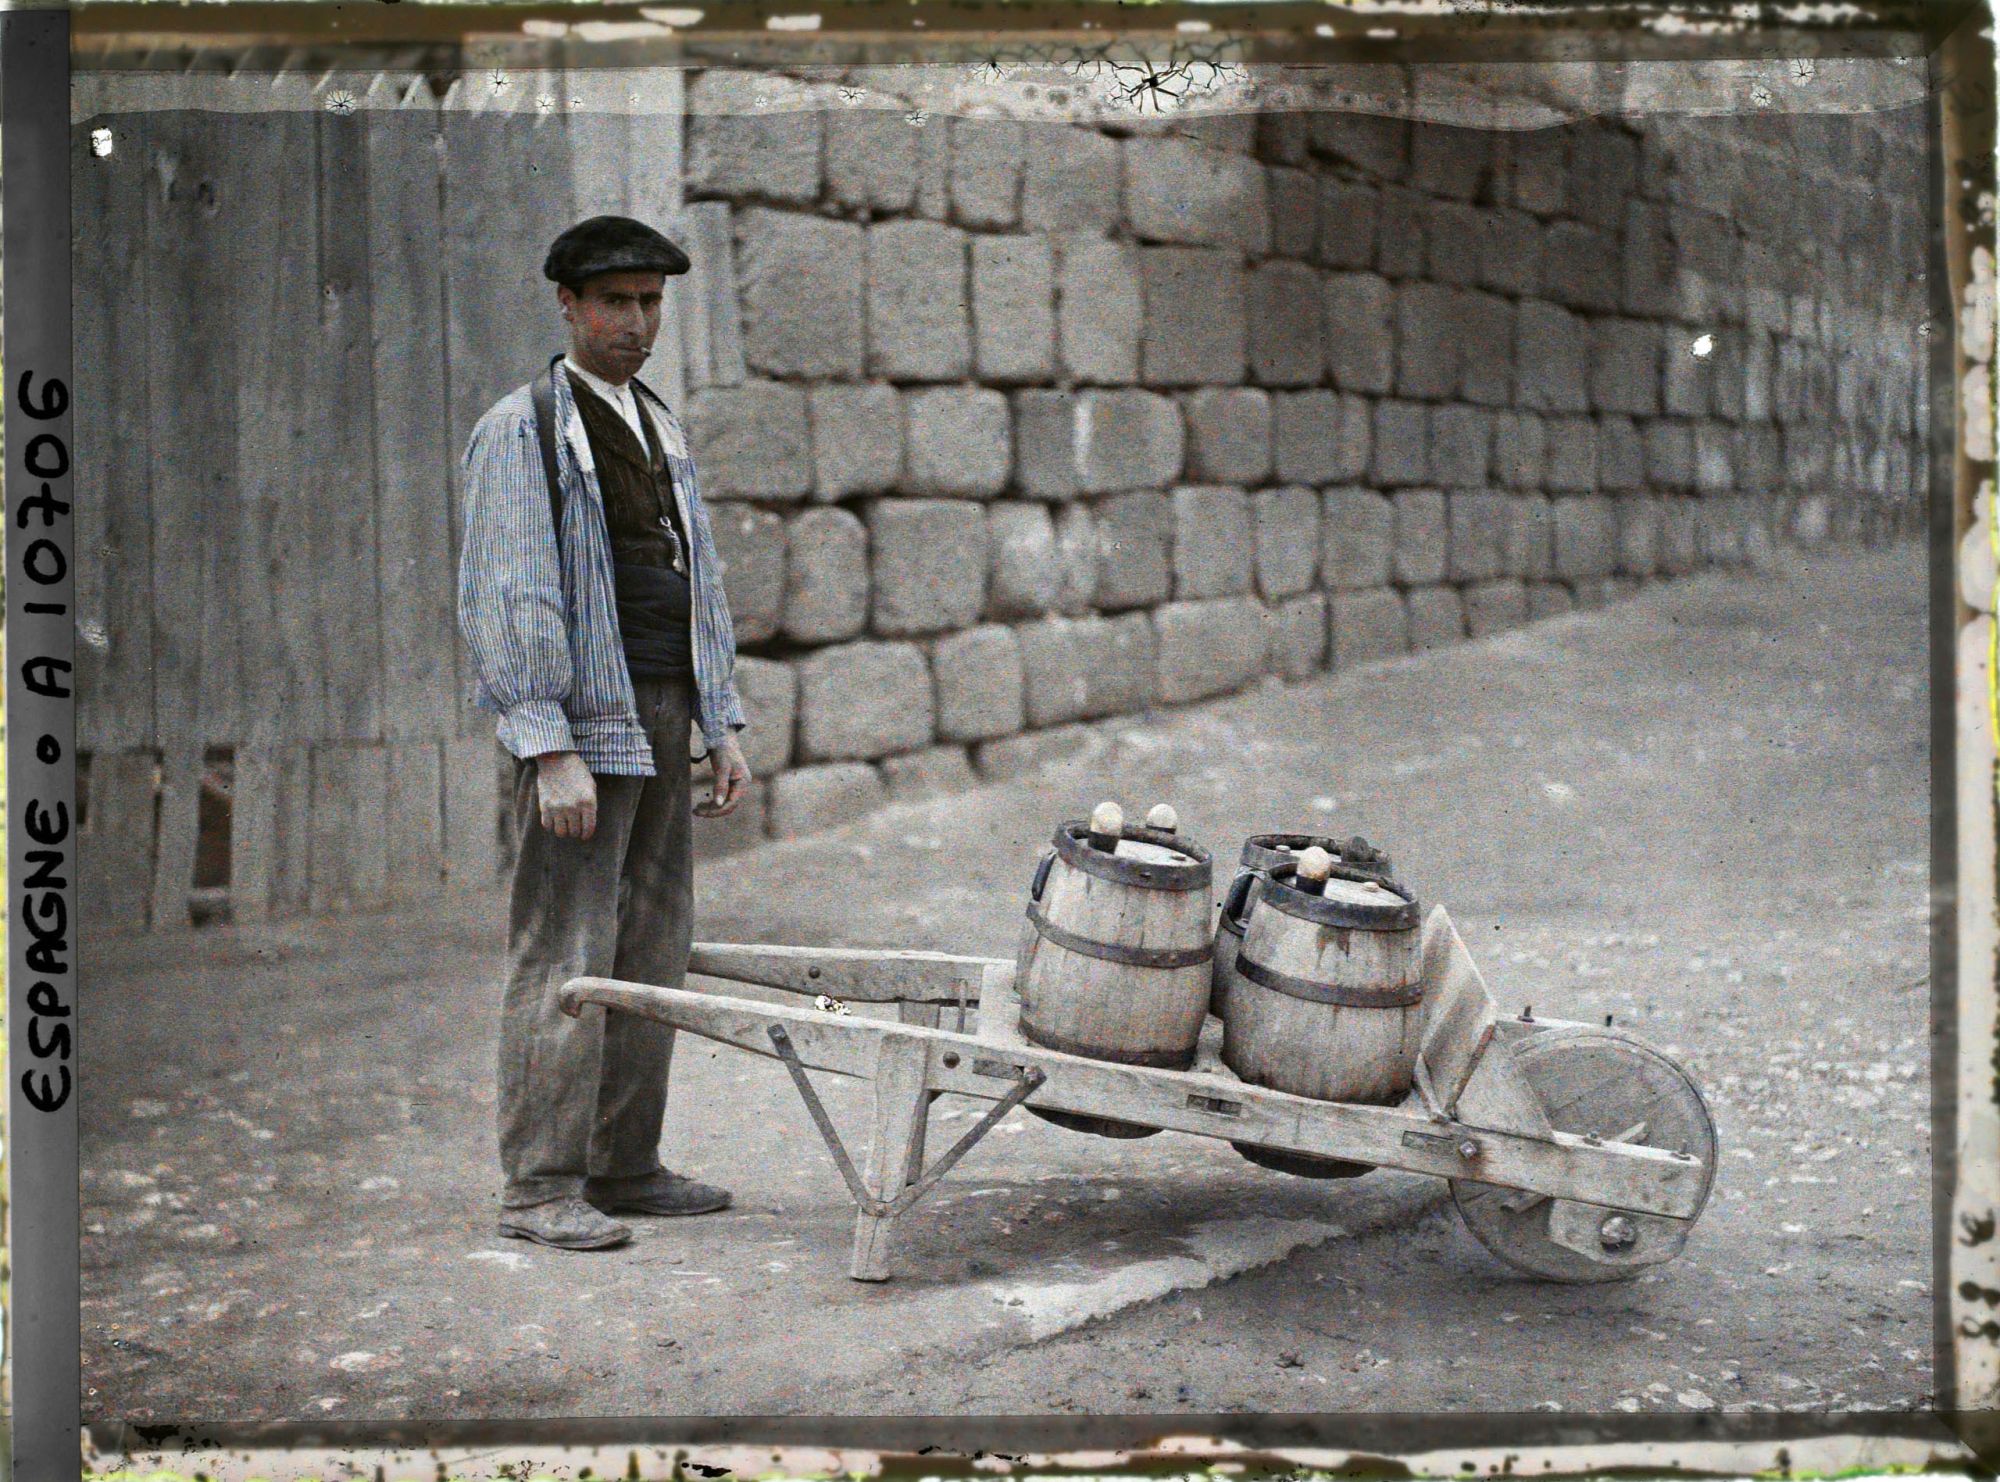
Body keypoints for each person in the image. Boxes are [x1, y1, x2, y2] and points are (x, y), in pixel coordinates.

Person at [458, 215, 754, 1251]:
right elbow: (509, 593)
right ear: (569, 308)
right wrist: (547, 745)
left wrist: (719, 722)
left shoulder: (654, 421)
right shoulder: (525, 428)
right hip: (584, 724)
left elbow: (697, 580)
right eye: (616, 303)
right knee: (565, 952)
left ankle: (624, 1163)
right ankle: (538, 1184)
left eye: (651, 302)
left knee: (651, 945)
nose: (636, 323)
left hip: (664, 712)